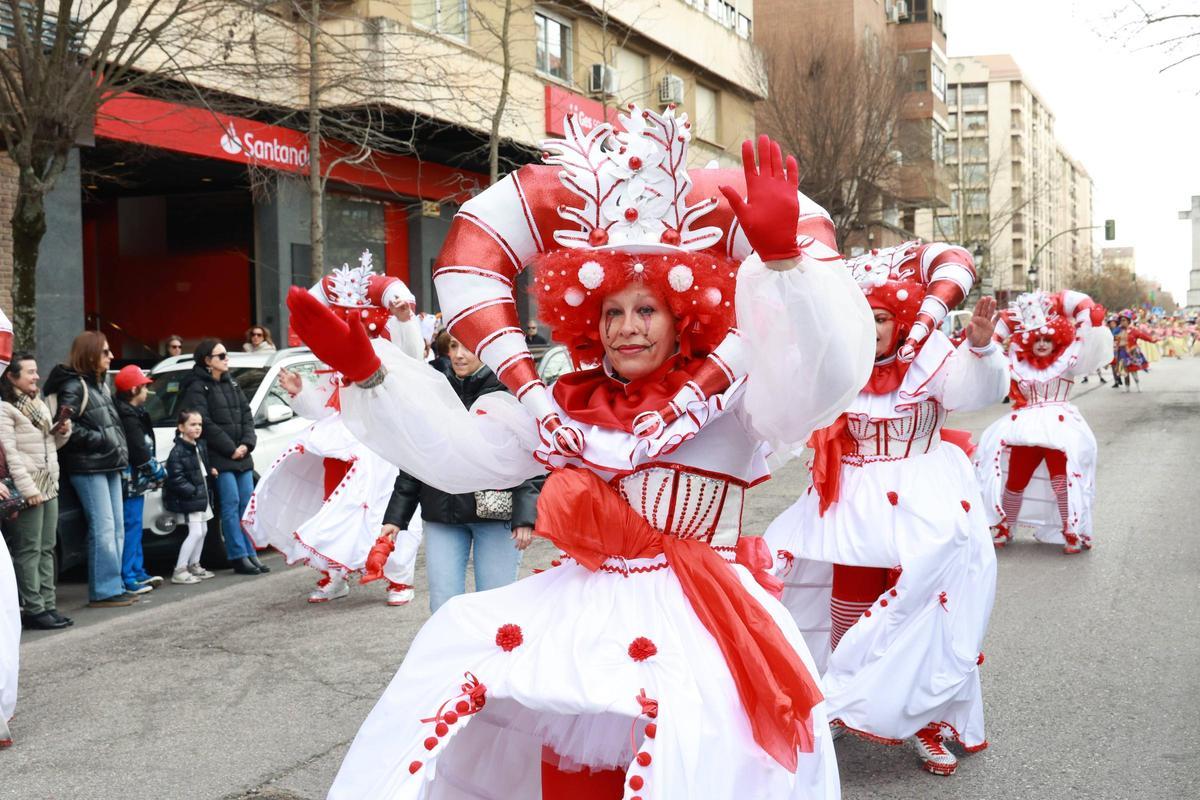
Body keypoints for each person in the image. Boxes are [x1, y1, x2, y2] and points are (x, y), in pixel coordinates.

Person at [290, 118, 874, 798]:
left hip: (703, 619)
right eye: (612, 312)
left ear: (683, 315)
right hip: (580, 617)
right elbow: (460, 455)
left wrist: (787, 269)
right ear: (586, 321)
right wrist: (371, 374)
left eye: (648, 310)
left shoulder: (741, 402)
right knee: (565, 757)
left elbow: (824, 378)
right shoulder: (564, 405)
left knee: (698, 769)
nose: (627, 327)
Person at [765, 242, 1008, 776]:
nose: (871, 328)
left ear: (899, 318)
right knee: (848, 609)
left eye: (879, 318)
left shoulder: (932, 357)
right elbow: (788, 408)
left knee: (928, 611)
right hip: (849, 501)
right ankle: (841, 699)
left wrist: (982, 350)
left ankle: (927, 720)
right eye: (862, 317)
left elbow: (972, 392)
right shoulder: (840, 364)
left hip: (922, 498)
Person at [244, 254, 425, 606]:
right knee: (333, 506)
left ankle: (398, 579)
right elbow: (322, 409)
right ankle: (334, 574)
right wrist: (299, 391)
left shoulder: (392, 352)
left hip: (385, 440)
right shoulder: (333, 366)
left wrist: (405, 320)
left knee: (391, 510)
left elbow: (413, 358)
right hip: (342, 443)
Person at [381, 334, 541, 612]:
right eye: (453, 346)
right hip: (442, 514)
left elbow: (529, 458)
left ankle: (494, 657)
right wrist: (396, 518)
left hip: (495, 514)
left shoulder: (508, 391)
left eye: (467, 345)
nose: (459, 354)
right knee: (444, 606)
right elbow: (416, 461)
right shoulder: (433, 393)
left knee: (495, 606)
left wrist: (525, 515)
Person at [975, 291, 1113, 553]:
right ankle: (1005, 525)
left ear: (1057, 339)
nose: (1040, 343)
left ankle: (1071, 529)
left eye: (1046, 338)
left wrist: (1090, 324)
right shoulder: (1018, 364)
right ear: (1026, 341)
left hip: (1059, 431)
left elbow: (1088, 345)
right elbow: (991, 358)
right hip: (1024, 431)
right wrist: (989, 338)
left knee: (1063, 481)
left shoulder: (1067, 361)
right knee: (1015, 481)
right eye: (1035, 338)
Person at [44, 332, 135, 608]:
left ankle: (113, 584)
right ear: (91, 354)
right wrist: (101, 440)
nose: (110, 356)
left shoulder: (99, 385)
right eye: (105, 352)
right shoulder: (75, 385)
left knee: (116, 527)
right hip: (89, 466)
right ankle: (105, 590)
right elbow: (64, 426)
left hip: (109, 463)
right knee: (104, 528)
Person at [178, 339, 265, 575]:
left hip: (242, 455)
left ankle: (251, 553)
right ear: (207, 361)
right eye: (221, 356)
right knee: (230, 504)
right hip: (220, 456)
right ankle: (238, 555)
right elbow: (203, 422)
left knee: (247, 506)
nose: (227, 359)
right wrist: (230, 449)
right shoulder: (197, 387)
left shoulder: (232, 383)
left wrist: (247, 443)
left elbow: (247, 415)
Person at [0, 354, 73, 630]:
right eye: (30, 372)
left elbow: (50, 443)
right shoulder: (6, 409)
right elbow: (11, 455)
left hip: (49, 484)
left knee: (47, 548)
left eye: (36, 371)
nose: (36, 376)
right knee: (28, 549)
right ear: (11, 376)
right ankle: (33, 607)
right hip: (28, 486)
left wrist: (63, 431)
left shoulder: (37, 403)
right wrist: (28, 489)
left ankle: (48, 604)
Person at [114, 365, 165, 595]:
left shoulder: (134, 413)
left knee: (134, 525)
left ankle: (137, 570)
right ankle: (129, 575)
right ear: (134, 389)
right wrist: (158, 473)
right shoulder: (128, 416)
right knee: (131, 525)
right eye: (144, 387)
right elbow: (139, 451)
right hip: (131, 480)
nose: (147, 391)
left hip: (137, 481)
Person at [163, 410, 216, 584]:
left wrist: (210, 472)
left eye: (199, 424)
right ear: (181, 427)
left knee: (204, 530)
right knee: (195, 532)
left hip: (202, 496)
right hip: (192, 498)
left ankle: (194, 565)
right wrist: (192, 491)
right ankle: (180, 569)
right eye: (192, 424)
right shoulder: (177, 452)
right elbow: (176, 478)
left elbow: (201, 469)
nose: (197, 428)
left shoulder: (199, 446)